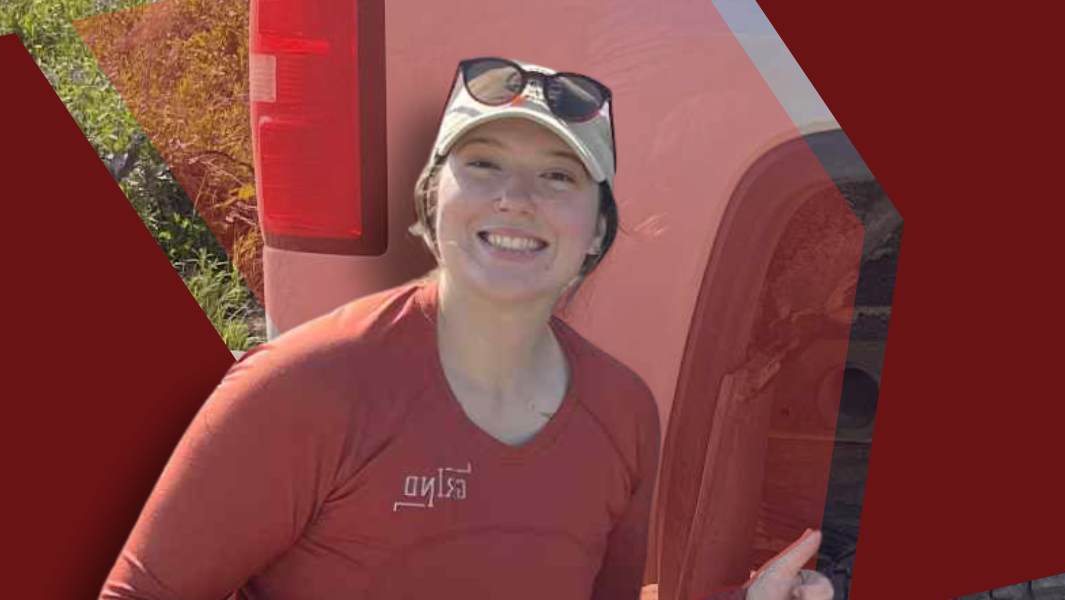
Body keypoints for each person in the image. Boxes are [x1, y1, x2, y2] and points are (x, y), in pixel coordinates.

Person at [98, 57, 834, 600]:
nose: (516, 197)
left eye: (558, 175)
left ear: (597, 232)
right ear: (430, 202)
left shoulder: (624, 412)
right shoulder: (305, 387)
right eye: (483, 164)